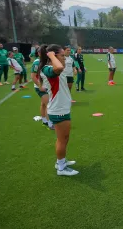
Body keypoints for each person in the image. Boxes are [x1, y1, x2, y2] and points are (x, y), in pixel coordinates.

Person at [38, 44, 78, 176]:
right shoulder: (48, 69)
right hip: (58, 110)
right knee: (62, 139)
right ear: (53, 56)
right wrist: (50, 55)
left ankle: (61, 161)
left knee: (64, 138)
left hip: (61, 108)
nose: (65, 58)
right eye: (62, 55)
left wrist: (54, 56)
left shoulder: (51, 68)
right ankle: (61, 168)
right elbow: (59, 67)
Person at [31, 47, 54, 130]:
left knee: (43, 104)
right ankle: (50, 123)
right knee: (48, 104)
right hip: (41, 87)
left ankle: (44, 120)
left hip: (47, 86)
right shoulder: (37, 62)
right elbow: (33, 76)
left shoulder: (46, 62)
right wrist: (40, 86)